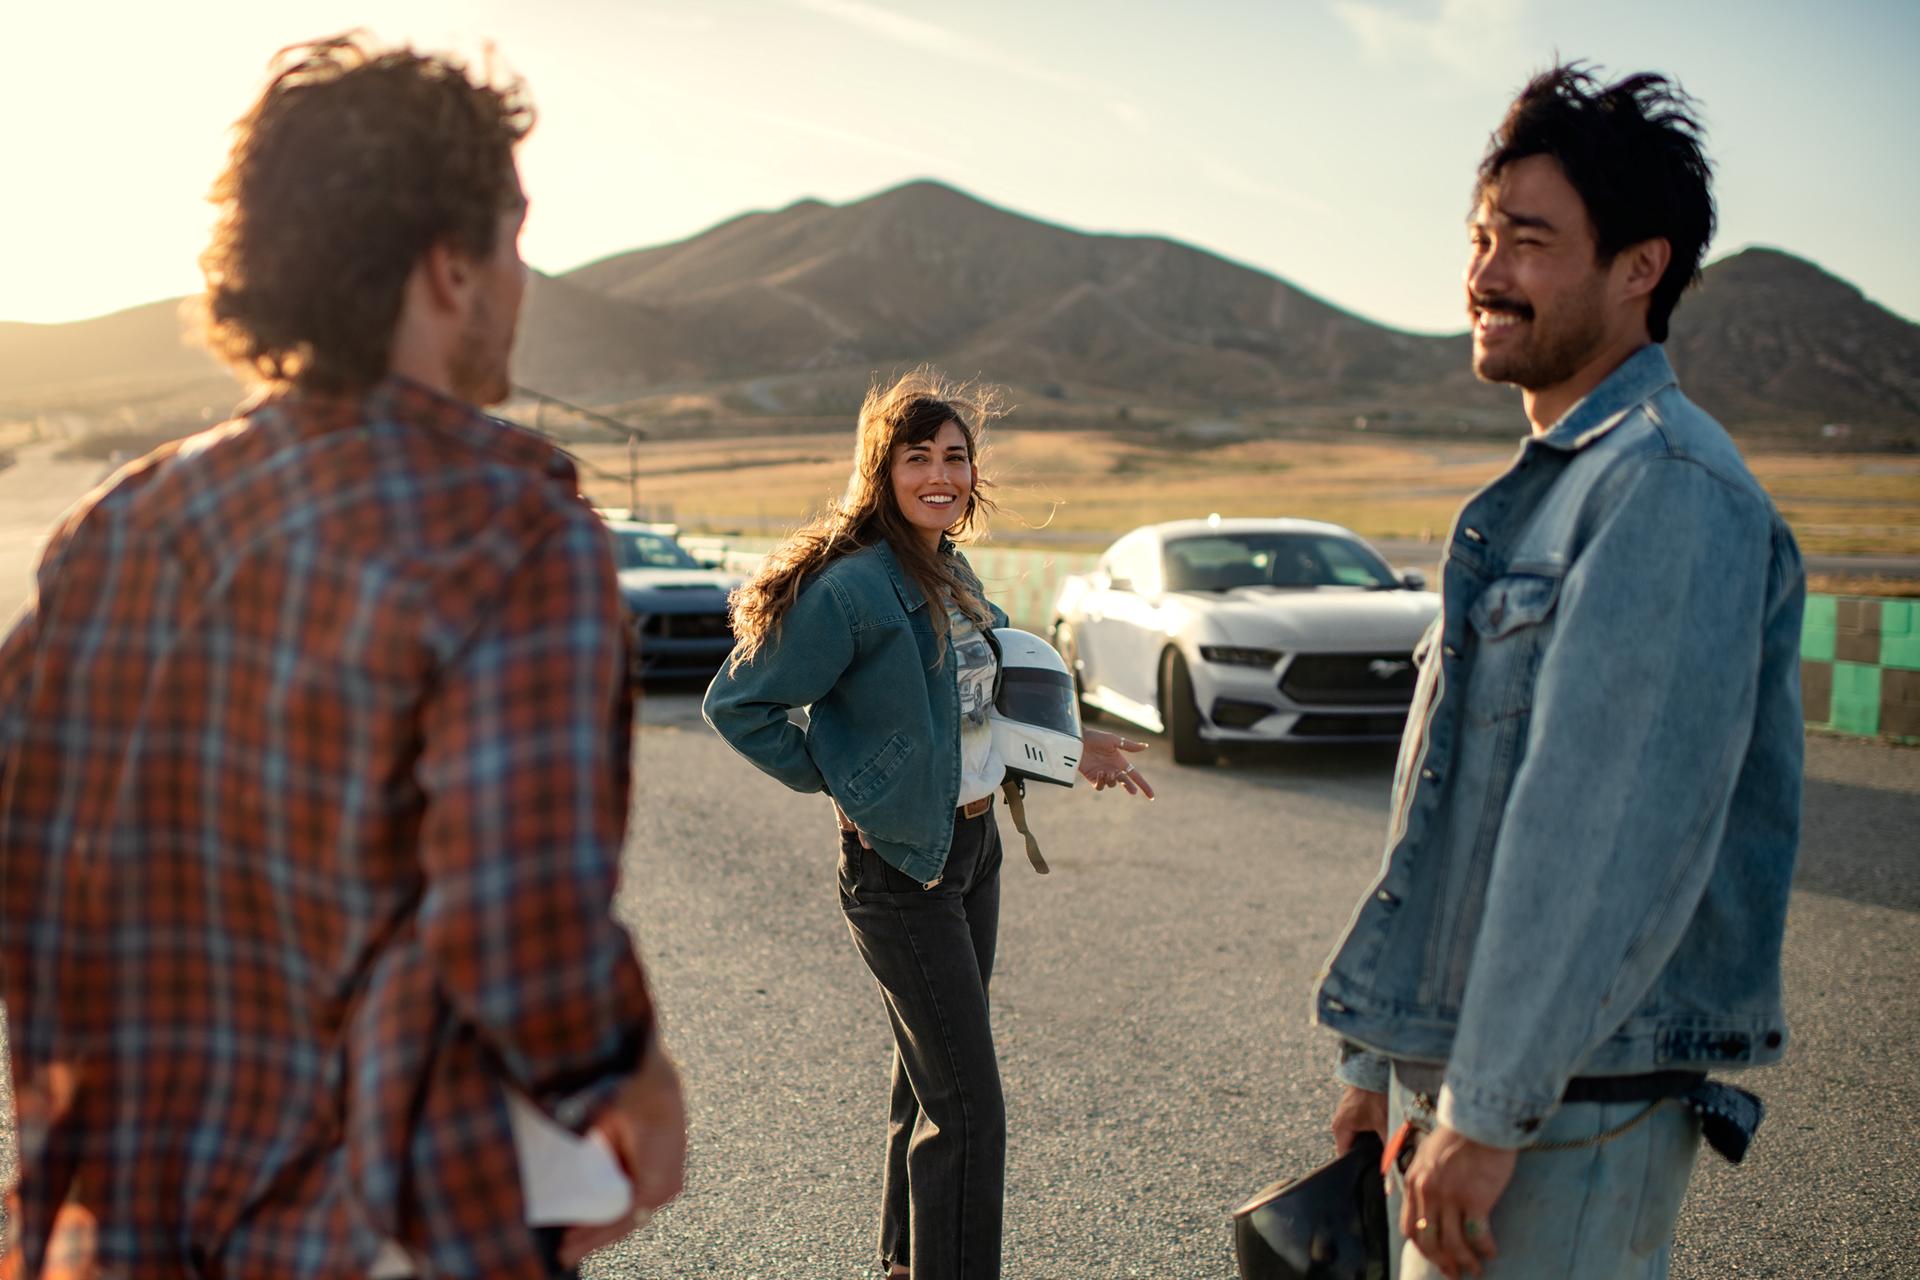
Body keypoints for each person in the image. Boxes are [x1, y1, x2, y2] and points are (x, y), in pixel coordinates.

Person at [0, 36, 683, 1279]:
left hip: (115, 1238)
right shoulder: (510, 530)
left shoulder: (111, 532)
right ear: (448, 269)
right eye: (516, 242)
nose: (525, 282)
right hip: (379, 1231)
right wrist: (632, 1079)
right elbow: (520, 928)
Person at [1312, 64, 1805, 1280]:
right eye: (1481, 237)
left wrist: (1484, 1112)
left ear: (1640, 267)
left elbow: (1598, 833)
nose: (1483, 275)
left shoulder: (1666, 491)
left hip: (1568, 1114)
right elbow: (1449, 814)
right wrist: (1380, 1065)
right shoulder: (1550, 494)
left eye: (1528, 242)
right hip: (1499, 1084)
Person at [703, 370, 1154, 1279]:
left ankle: (907, 1264)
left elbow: (971, 716)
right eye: (919, 458)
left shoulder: (949, 567)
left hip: (972, 848)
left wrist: (1079, 745)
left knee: (928, 1083)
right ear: (883, 471)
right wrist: (848, 785)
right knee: (970, 1107)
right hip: (901, 867)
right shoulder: (853, 589)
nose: (941, 474)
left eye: (955, 457)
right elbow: (740, 704)